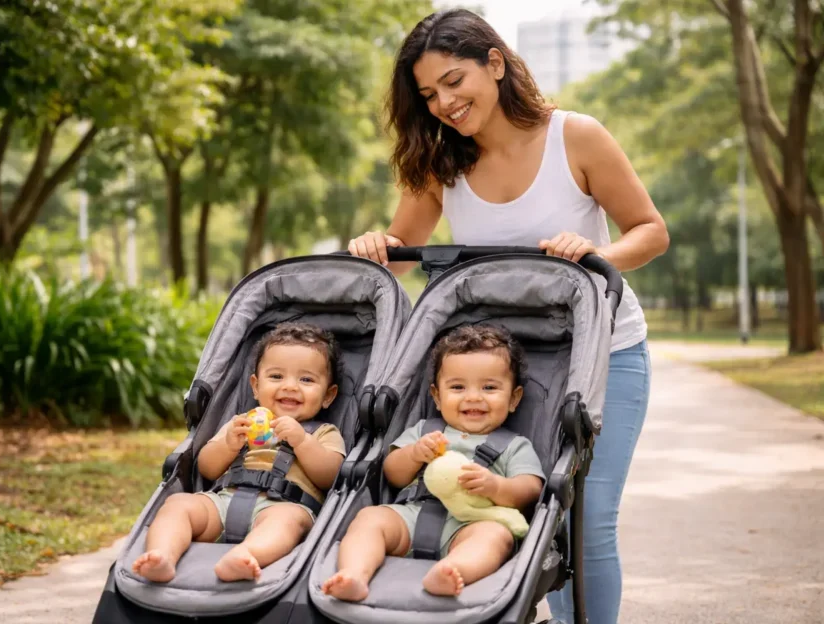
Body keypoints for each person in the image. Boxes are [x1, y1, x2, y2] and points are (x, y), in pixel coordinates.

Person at [346, 9, 668, 623]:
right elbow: (400, 252)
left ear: (494, 63)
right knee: (530, 513)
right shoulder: (441, 164)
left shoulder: (576, 136)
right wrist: (372, 248)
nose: (444, 103)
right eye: (428, 94)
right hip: (502, 371)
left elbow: (651, 232)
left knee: (584, 519)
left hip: (605, 354)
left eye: (453, 81)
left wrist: (598, 252)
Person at [322, 325, 544, 600]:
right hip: (412, 514)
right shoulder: (424, 430)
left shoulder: (514, 445)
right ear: (437, 397)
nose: (473, 396)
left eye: (489, 387)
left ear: (514, 398)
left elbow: (531, 489)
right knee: (370, 518)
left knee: (495, 536)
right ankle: (354, 573)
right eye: (458, 387)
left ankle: (452, 570)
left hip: (471, 523)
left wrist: (496, 486)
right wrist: (414, 454)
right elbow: (393, 474)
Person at [132, 322, 346, 583]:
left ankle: (245, 556)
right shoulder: (240, 423)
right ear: (255, 386)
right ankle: (162, 555)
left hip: (283, 505)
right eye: (276, 376)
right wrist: (229, 444)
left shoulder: (323, 432)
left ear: (328, 395)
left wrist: (302, 441)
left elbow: (331, 476)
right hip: (224, 500)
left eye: (306, 379)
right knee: (179, 504)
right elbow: (207, 468)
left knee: (288, 522)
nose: (290, 386)